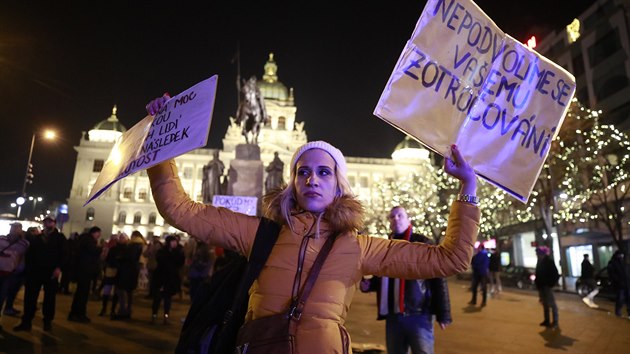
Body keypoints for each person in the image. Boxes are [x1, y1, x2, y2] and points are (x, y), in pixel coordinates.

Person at [145, 94, 479, 353]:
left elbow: (451, 258)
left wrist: (468, 189)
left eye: (324, 172)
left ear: (338, 185)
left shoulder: (358, 247)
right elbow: (180, 210)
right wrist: (162, 142)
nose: (312, 179)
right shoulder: (261, 234)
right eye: (302, 172)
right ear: (292, 183)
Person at [360, 206, 452, 354]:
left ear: (408, 219)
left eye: (400, 215)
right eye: (392, 216)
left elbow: (438, 278)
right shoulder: (384, 246)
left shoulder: (421, 243)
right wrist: (369, 285)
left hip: (419, 315)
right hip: (393, 317)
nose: (395, 219)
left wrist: (443, 313)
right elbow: (383, 276)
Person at [14, 216, 68, 332]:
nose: (48, 224)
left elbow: (64, 254)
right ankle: (26, 321)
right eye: (46, 222)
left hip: (51, 272)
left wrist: (59, 268)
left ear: (54, 224)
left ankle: (47, 321)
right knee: (30, 297)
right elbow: (30, 255)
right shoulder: (37, 238)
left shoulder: (60, 238)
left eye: (50, 222)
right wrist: (28, 269)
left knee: (49, 298)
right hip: (35, 272)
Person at [68, 226, 102, 323]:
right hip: (85, 271)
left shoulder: (83, 239)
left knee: (80, 293)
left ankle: (75, 313)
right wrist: (101, 249)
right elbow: (93, 252)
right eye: (98, 233)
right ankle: (79, 314)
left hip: (82, 270)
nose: (99, 236)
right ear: (94, 233)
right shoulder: (88, 241)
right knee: (82, 294)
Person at [0, 222, 29, 330]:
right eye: (12, 227)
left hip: (9, 275)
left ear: (20, 230)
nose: (13, 229)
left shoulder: (24, 244)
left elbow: (23, 258)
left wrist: (18, 270)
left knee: (2, 298)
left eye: (16, 228)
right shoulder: (1, 239)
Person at [151, 235, 185, 324]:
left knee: (168, 298)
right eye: (173, 241)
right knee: (157, 298)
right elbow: (160, 260)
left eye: (175, 242)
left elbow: (180, 262)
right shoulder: (162, 251)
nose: (175, 243)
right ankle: (154, 315)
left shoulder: (178, 252)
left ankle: (166, 316)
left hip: (171, 279)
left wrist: (177, 252)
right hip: (161, 278)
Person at [534, 246, 559, 329]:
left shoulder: (549, 262)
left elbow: (555, 274)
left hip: (547, 286)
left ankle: (555, 321)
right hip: (541, 286)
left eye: (537, 253)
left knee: (552, 304)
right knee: (545, 304)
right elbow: (538, 274)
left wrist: (550, 284)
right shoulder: (539, 262)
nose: (536, 255)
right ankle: (547, 320)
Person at [607, 250, 630, 318]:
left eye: (622, 255)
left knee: (628, 299)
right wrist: (618, 281)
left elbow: (627, 273)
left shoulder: (623, 262)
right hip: (620, 285)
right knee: (620, 299)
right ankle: (618, 312)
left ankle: (629, 312)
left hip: (627, 284)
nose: (621, 256)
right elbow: (612, 274)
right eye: (620, 255)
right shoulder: (613, 263)